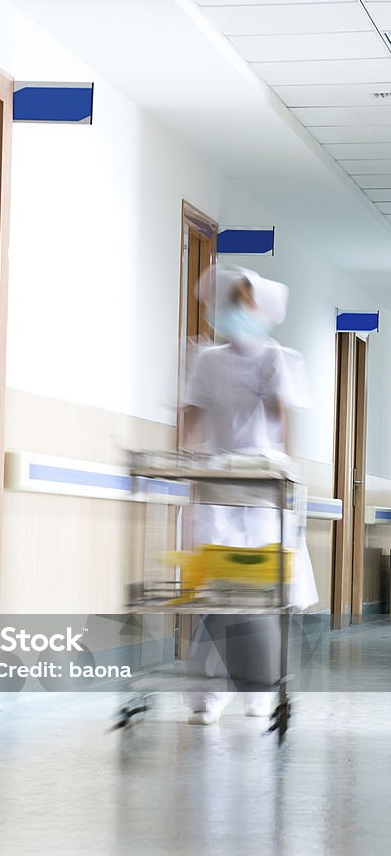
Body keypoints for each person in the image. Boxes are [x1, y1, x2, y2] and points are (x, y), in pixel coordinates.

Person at [181, 265, 317, 724]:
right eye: (230, 303)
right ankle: (208, 691)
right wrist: (183, 463)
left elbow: (281, 428)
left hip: (263, 486)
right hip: (219, 485)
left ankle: (257, 688)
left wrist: (288, 482)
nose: (237, 312)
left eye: (245, 303)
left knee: (260, 593)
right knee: (219, 593)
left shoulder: (274, 358)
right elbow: (193, 417)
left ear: (258, 308)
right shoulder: (206, 359)